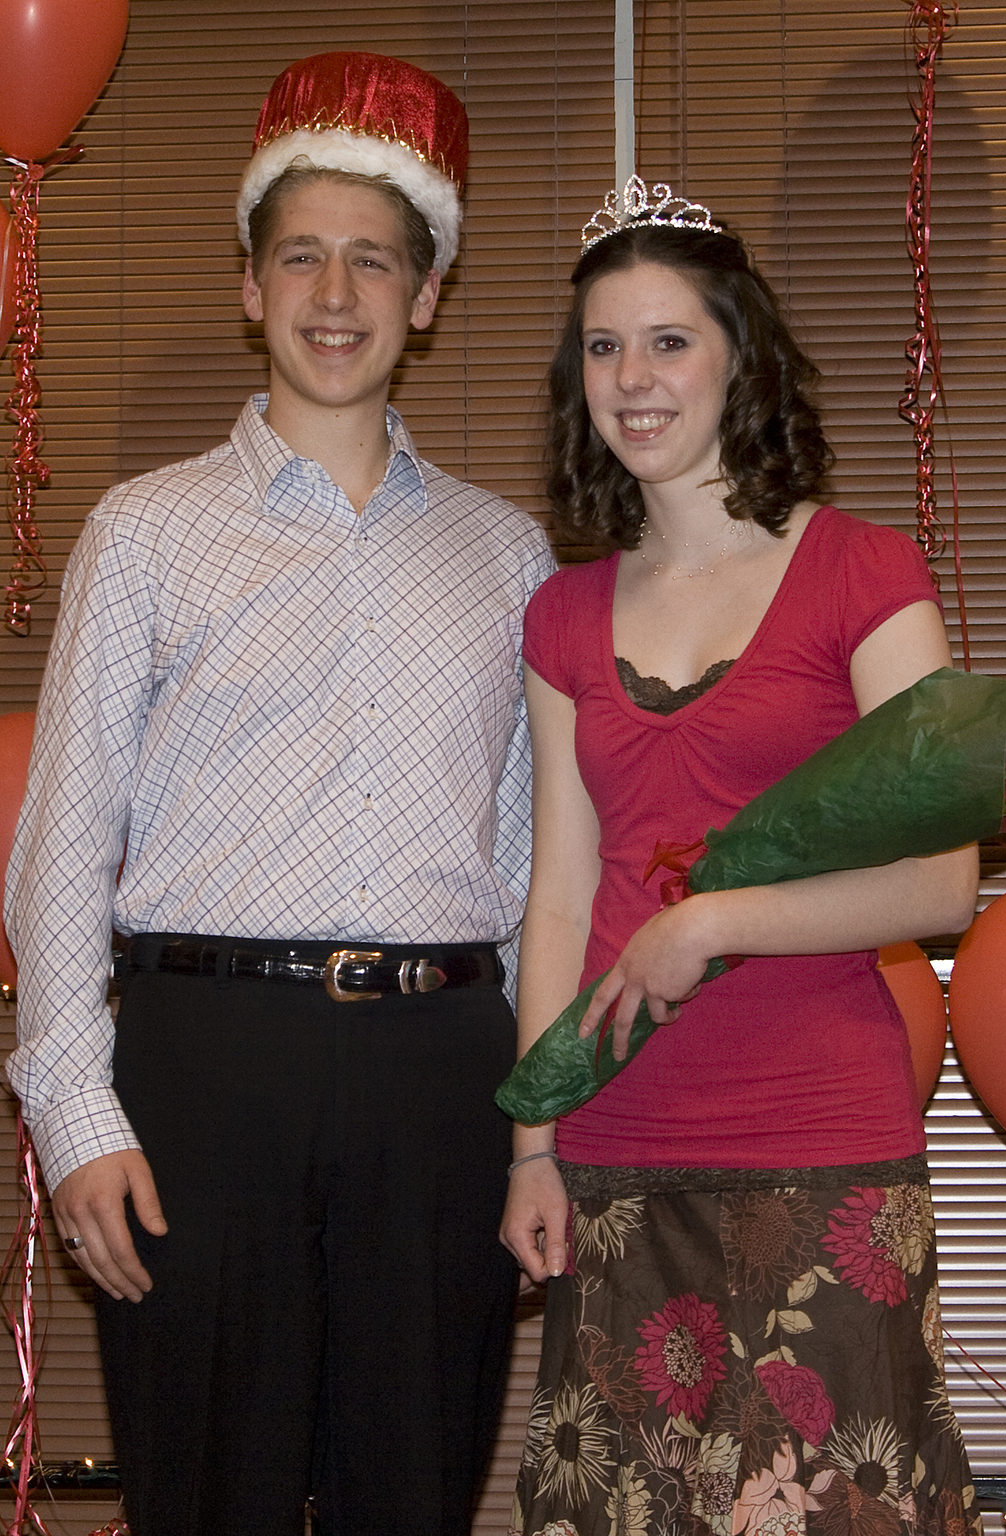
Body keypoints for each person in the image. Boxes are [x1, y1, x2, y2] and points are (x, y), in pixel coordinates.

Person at [6, 51, 554, 1536]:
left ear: (426, 297)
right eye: (300, 252)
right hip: (205, 1074)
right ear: (250, 285)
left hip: (441, 1075)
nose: (335, 290)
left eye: (375, 259)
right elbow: (63, 837)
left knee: (412, 1497)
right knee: (208, 1500)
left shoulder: (513, 564)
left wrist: (531, 1137)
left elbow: (527, 873)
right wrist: (76, 1114)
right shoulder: (146, 533)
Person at [499, 176, 982, 1536]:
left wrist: (715, 925)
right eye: (604, 346)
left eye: (669, 341)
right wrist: (533, 1147)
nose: (633, 378)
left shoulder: (868, 574)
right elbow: (558, 896)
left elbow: (945, 881)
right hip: (612, 1156)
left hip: (820, 1146)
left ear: (738, 357)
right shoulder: (560, 616)